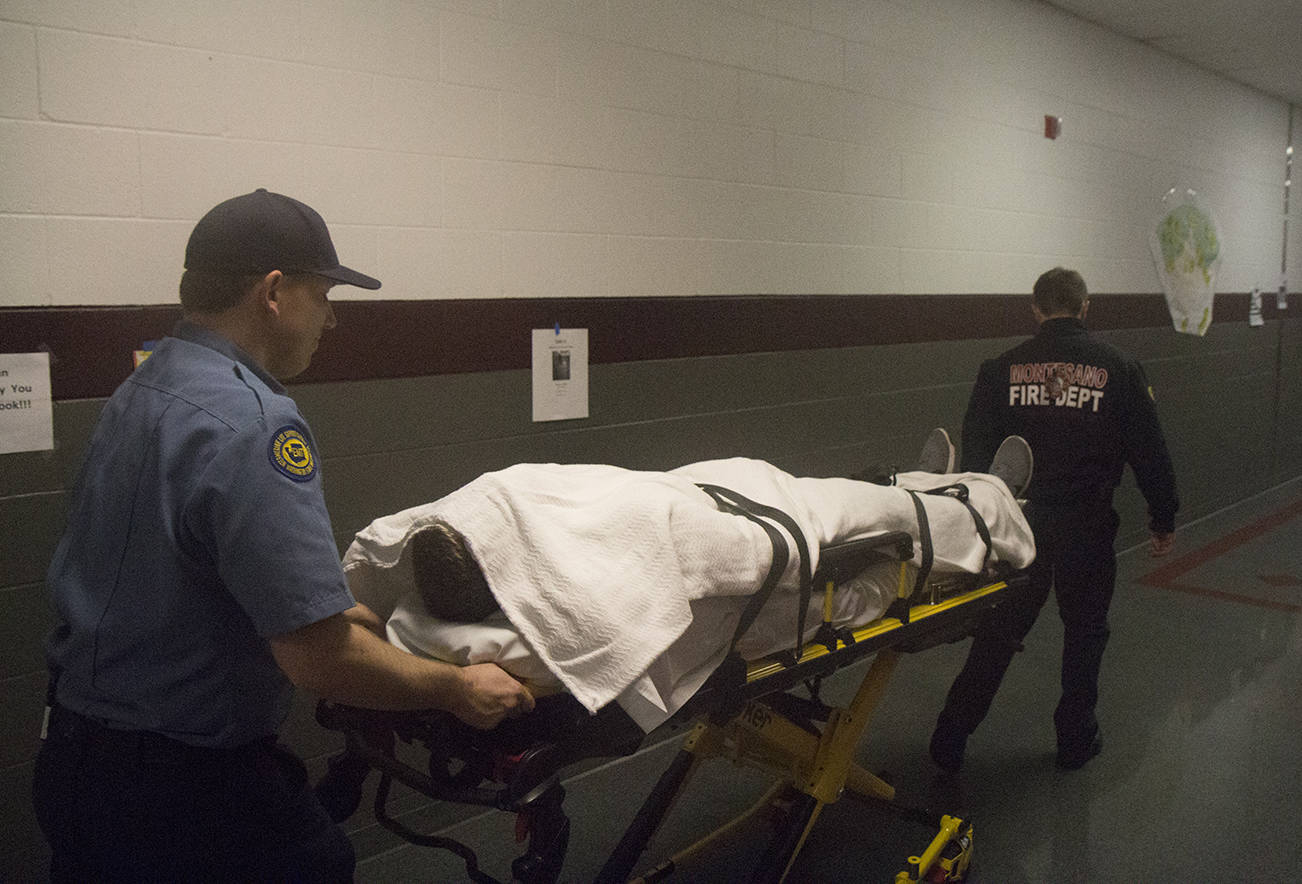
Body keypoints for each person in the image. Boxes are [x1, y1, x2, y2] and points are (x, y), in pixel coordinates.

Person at [32, 189, 534, 882]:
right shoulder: (255, 422)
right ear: (274, 292)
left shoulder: (145, 388)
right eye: (324, 295)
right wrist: (455, 688)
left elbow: (192, 571)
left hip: (77, 762)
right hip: (184, 794)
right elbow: (318, 660)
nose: (330, 320)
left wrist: (346, 613)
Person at [342, 434, 1037, 731]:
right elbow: (716, 562)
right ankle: (980, 506)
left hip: (702, 491)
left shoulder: (503, 508)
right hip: (737, 542)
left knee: (845, 509)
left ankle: (926, 493)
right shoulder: (567, 602)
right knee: (864, 540)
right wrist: (775, 550)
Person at [929, 267, 1179, 773]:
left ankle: (950, 738)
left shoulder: (1000, 369)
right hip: (1085, 525)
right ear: (1086, 308)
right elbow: (1149, 451)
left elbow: (977, 456)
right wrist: (1162, 516)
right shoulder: (1119, 370)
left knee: (998, 633)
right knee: (1085, 632)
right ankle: (1074, 739)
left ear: (1036, 310)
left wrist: (980, 523)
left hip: (1017, 525)